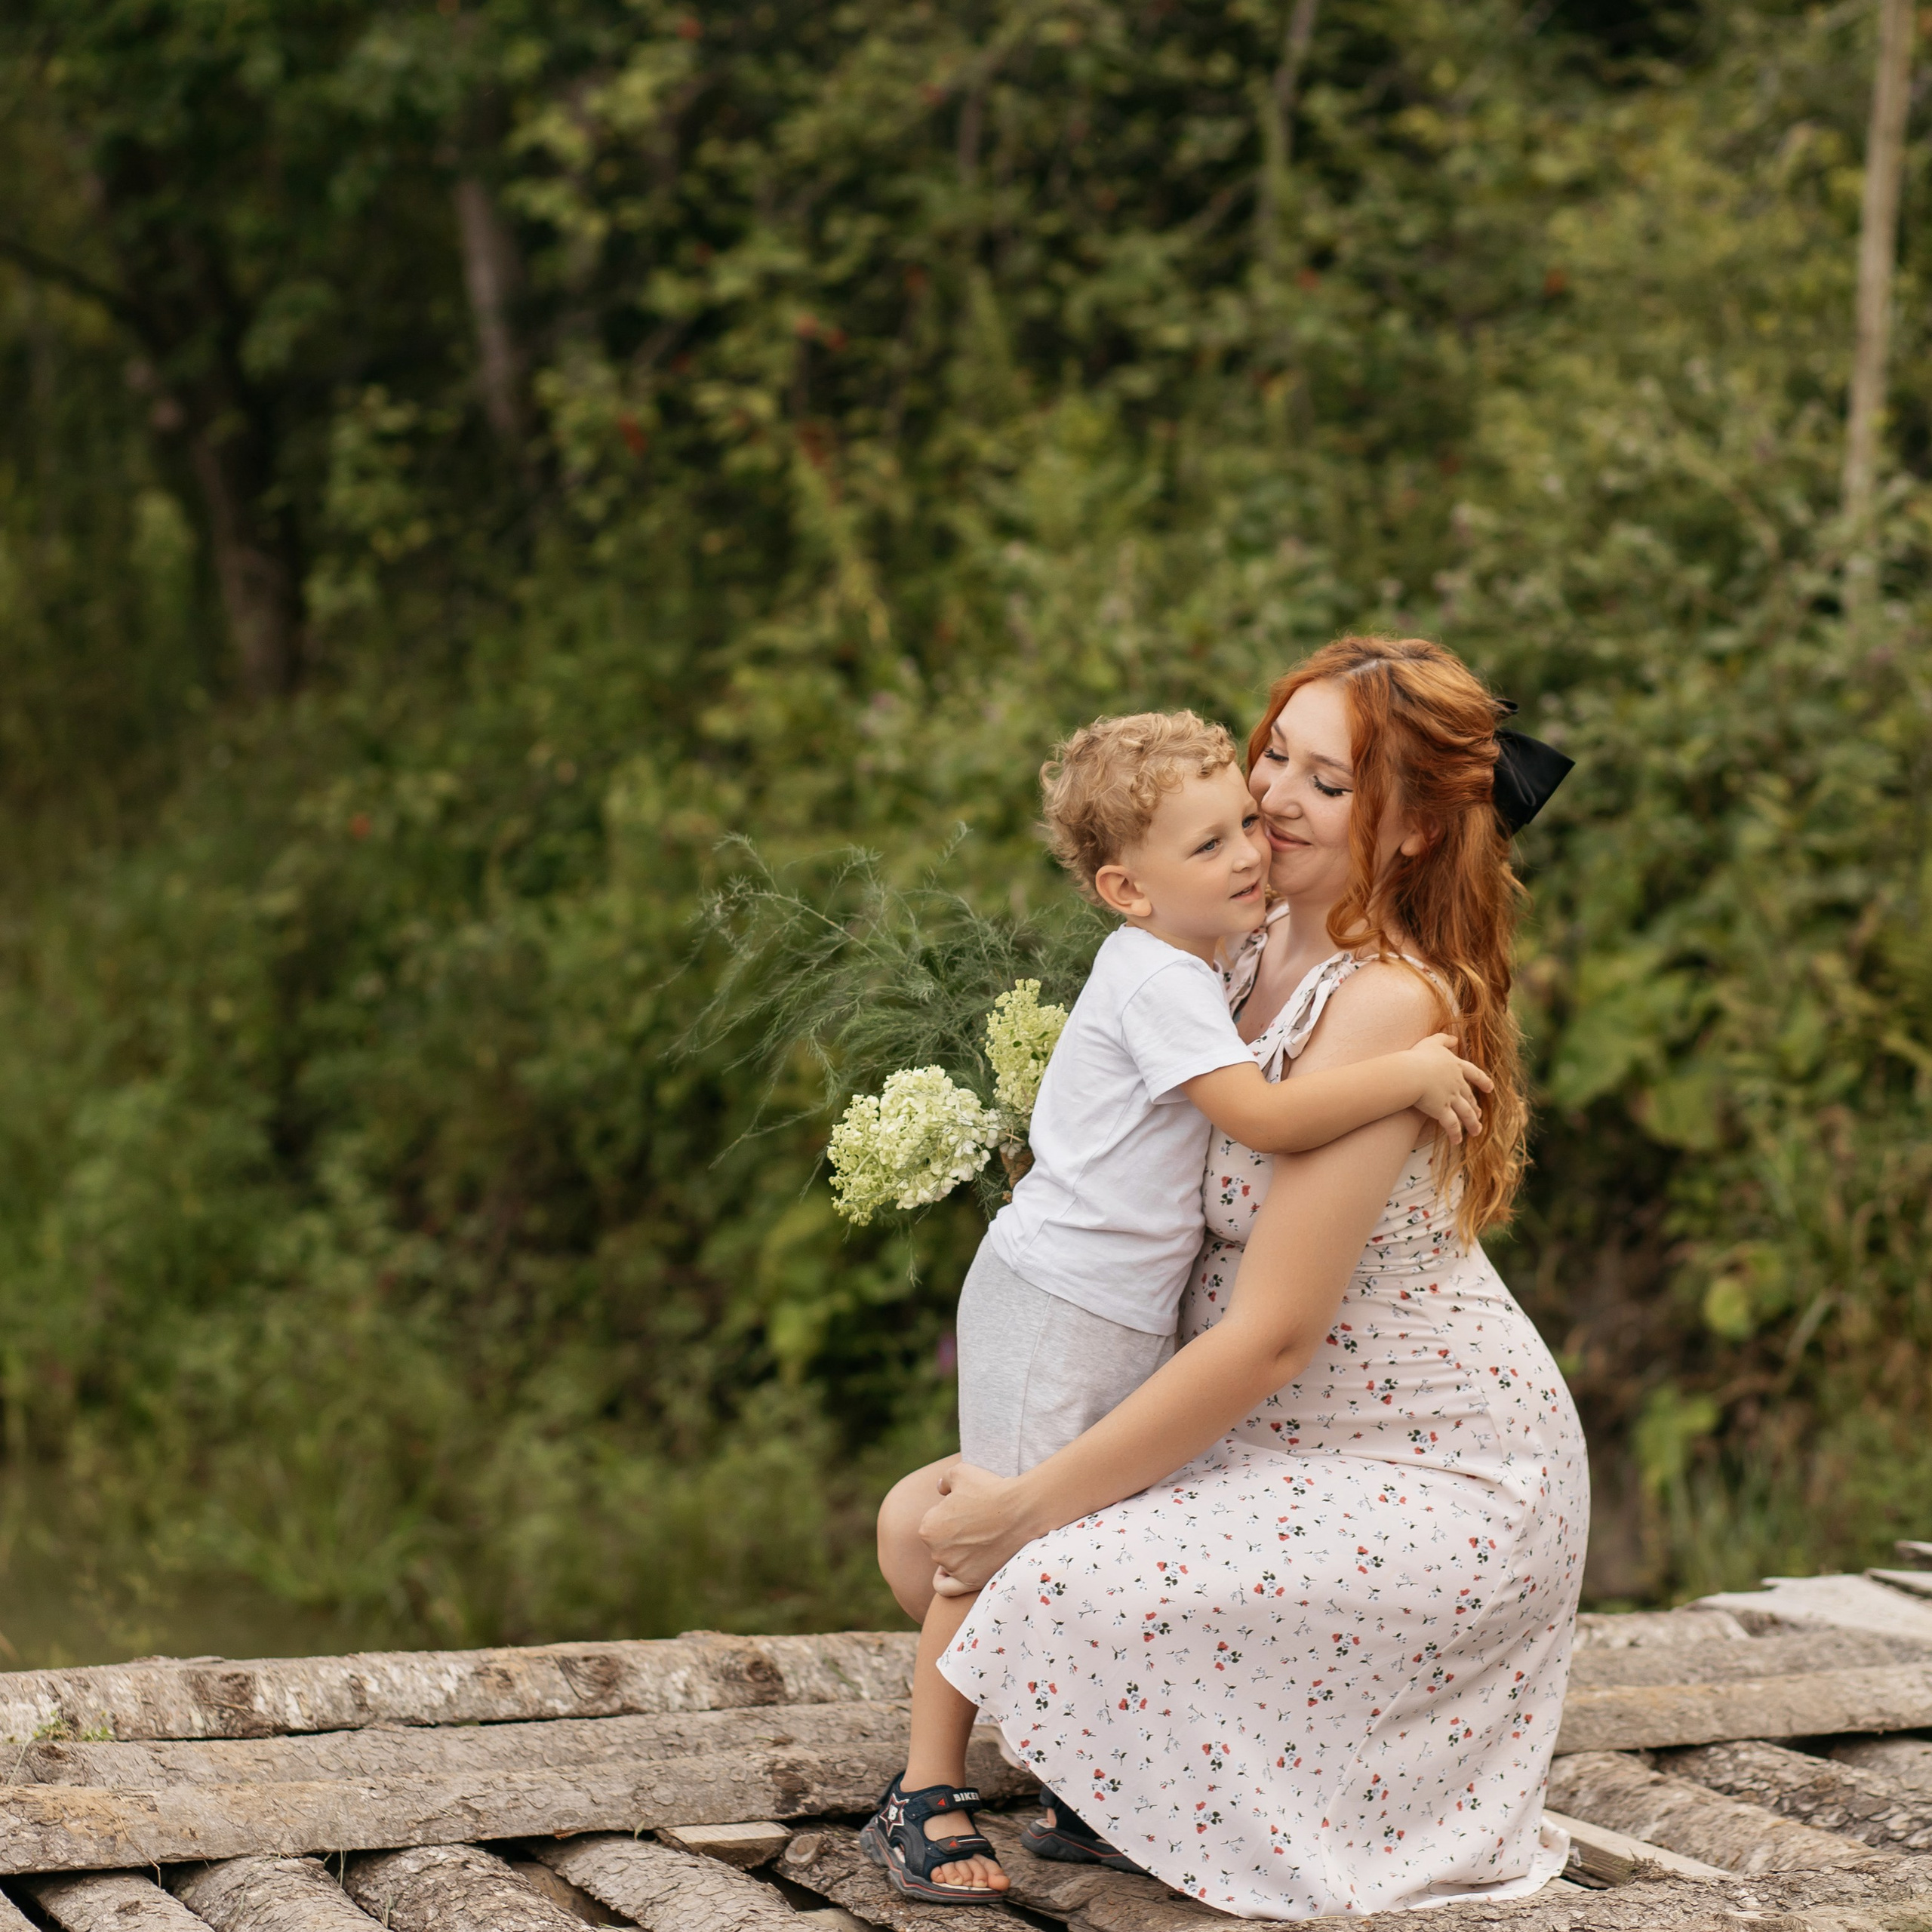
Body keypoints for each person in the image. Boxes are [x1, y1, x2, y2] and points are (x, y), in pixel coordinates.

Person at [921, 637, 1589, 1918]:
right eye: (1274, 751)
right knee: (926, 1539)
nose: (1275, 794)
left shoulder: (1391, 1005)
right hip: (1262, 1454)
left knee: (1024, 1571)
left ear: (1405, 832)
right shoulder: (1226, 939)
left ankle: (1297, 1769)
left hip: (1429, 1467)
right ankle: (1165, 1742)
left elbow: (1276, 1335)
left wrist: (1036, 1508)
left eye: (1326, 783)